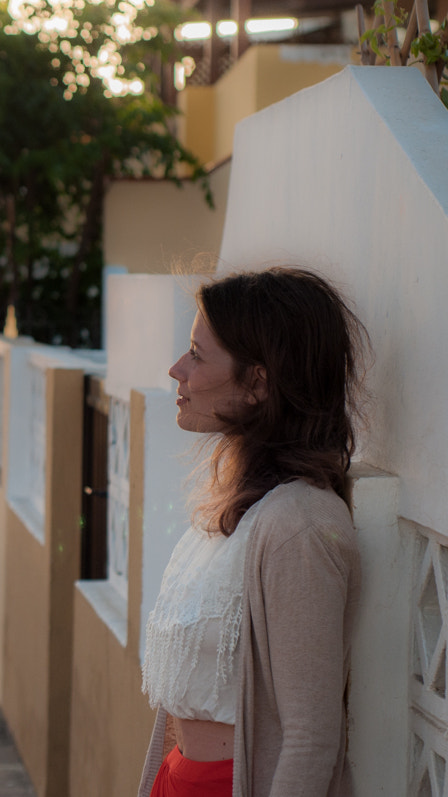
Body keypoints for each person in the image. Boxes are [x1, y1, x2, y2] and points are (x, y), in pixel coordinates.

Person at [138, 267, 369, 797]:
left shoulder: (301, 525)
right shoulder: (232, 509)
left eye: (197, 354)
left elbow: (311, 738)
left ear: (258, 382)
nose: (177, 369)